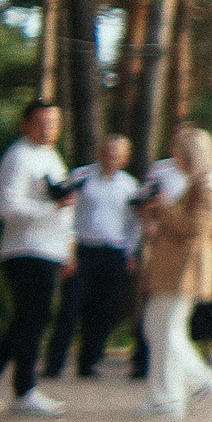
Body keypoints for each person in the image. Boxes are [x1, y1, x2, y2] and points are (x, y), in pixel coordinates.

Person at [0, 100, 76, 415]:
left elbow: (66, 206)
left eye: (53, 122)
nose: (48, 128)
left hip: (49, 249)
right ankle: (24, 389)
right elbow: (6, 207)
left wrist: (68, 246)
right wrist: (49, 209)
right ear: (25, 124)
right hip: (26, 249)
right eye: (41, 122)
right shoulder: (18, 157)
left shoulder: (51, 156)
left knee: (29, 320)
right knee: (33, 319)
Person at [138, 126, 212, 417]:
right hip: (173, 268)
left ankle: (199, 380)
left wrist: (163, 208)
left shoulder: (207, 185)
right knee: (158, 328)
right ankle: (167, 397)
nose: (174, 156)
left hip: (185, 270)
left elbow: (196, 227)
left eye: (178, 151)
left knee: (166, 330)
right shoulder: (196, 184)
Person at [43, 132, 142, 380]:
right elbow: (68, 215)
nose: (111, 157)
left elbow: (135, 224)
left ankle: (89, 363)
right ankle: (54, 364)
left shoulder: (130, 186)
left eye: (117, 154)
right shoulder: (81, 177)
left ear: (125, 158)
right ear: (100, 152)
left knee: (103, 311)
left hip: (114, 253)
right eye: (108, 151)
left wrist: (130, 252)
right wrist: (69, 250)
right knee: (69, 308)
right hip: (83, 250)